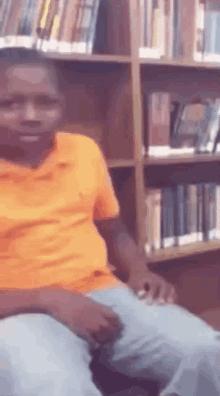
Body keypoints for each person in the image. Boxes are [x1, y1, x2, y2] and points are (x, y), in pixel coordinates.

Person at [0, 47, 220, 396]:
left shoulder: (83, 151)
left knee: (207, 349)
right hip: (19, 310)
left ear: (62, 106)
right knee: (53, 388)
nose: (30, 115)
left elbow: (113, 228)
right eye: (9, 104)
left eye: (45, 102)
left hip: (103, 292)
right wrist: (51, 299)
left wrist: (139, 271)